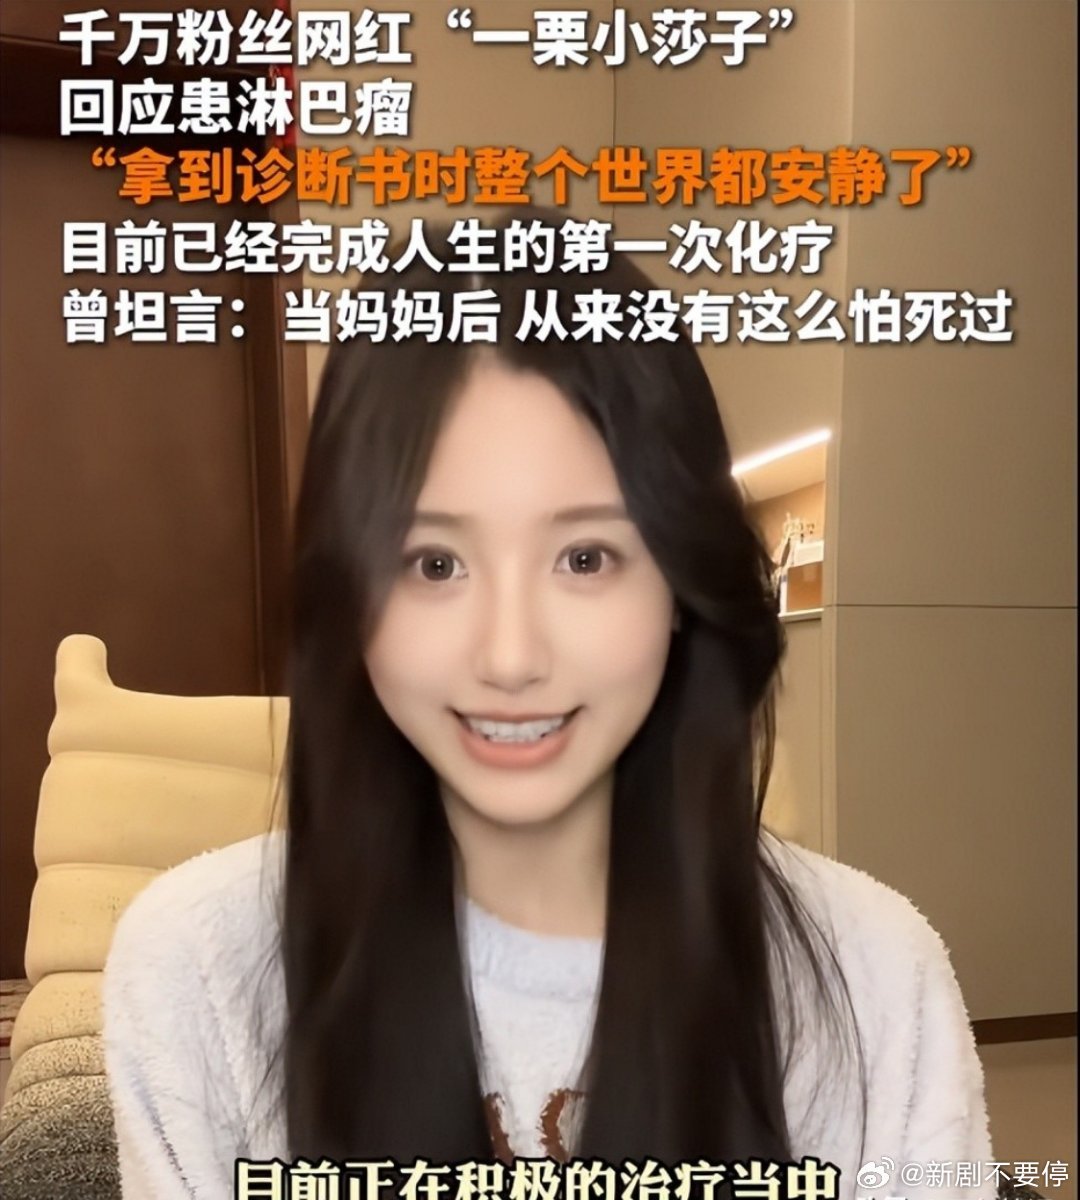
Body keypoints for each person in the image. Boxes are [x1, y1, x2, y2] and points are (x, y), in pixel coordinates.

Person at [103, 212, 993, 1199]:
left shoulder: (872, 979)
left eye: (586, 557)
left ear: (678, 583)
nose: (511, 657)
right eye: (433, 563)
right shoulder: (200, 967)